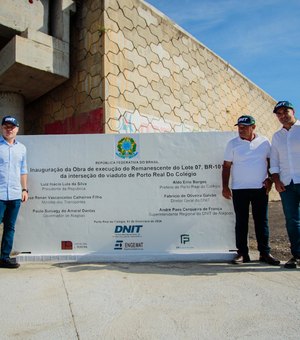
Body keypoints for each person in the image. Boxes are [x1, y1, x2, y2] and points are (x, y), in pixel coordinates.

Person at [222, 115, 280, 265]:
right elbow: (226, 166)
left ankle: (265, 253)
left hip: (260, 189)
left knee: (262, 221)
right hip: (239, 189)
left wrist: (270, 180)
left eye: (245, 127)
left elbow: (270, 162)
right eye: (239, 127)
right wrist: (225, 187)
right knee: (241, 222)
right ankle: (242, 253)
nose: (241, 130)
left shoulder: (264, 142)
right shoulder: (232, 144)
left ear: (253, 127)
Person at [270, 101, 300, 269]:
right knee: (292, 221)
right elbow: (274, 160)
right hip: (286, 184)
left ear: (293, 111)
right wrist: (276, 180)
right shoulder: (277, 136)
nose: (282, 116)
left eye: (285, 111)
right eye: (278, 113)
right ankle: (297, 255)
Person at [0, 116, 28, 269]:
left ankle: (4, 258)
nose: (9, 129)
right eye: (6, 126)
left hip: (15, 194)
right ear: (2, 128)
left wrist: (24, 189)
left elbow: (23, 171)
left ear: (17, 129)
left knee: (10, 227)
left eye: (12, 127)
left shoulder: (22, 148)